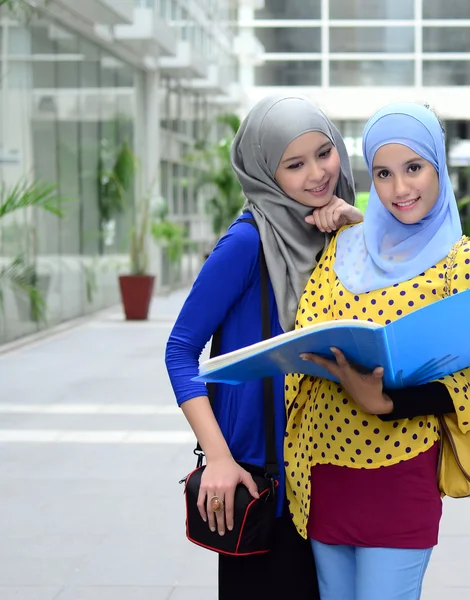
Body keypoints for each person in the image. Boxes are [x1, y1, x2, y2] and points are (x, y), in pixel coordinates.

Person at [285, 102, 470, 600]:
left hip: (399, 471)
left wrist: (386, 402)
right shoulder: (345, 245)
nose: (400, 189)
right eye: (383, 173)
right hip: (324, 469)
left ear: (438, 167)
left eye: (414, 168)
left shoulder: (464, 262)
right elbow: (308, 329)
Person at [165, 94, 361, 600]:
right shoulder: (247, 243)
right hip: (264, 486)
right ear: (265, 172)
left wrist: (358, 230)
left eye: (325, 152)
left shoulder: (338, 229)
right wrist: (218, 457)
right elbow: (180, 349)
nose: (318, 174)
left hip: (330, 471)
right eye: (294, 165)